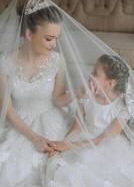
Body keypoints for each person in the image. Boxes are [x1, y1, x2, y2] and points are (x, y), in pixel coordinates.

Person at [0, 0, 75, 186]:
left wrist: (76, 93)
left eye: (57, 39)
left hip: (51, 118)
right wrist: (34, 138)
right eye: (49, 38)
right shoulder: (5, 63)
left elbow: (57, 97)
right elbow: (7, 110)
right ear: (29, 33)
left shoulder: (57, 61)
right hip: (19, 123)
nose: (54, 45)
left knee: (64, 166)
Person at [45, 54, 134, 187]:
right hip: (81, 139)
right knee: (60, 166)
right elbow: (76, 127)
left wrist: (68, 146)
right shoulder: (86, 97)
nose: (90, 75)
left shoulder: (122, 108)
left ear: (110, 83)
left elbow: (101, 140)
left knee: (90, 171)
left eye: (95, 73)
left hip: (104, 146)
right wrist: (62, 145)